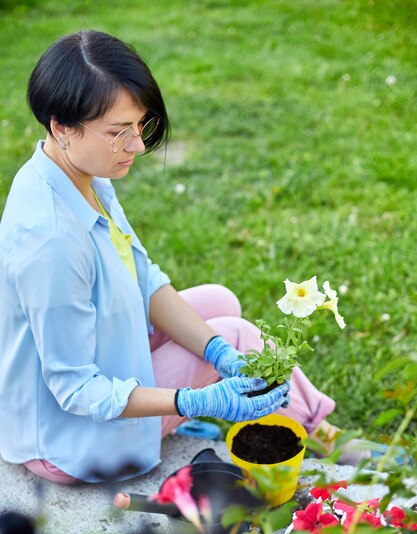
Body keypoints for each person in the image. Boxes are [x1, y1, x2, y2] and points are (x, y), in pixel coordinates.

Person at [0, 30, 358, 485]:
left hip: (93, 365)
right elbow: (75, 389)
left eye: (140, 126)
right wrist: (192, 400)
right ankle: (327, 434)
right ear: (61, 126)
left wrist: (214, 352)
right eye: (117, 133)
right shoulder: (49, 239)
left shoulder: (79, 173)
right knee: (237, 334)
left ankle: (294, 412)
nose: (138, 146)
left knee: (219, 305)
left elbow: (143, 277)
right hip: (68, 441)